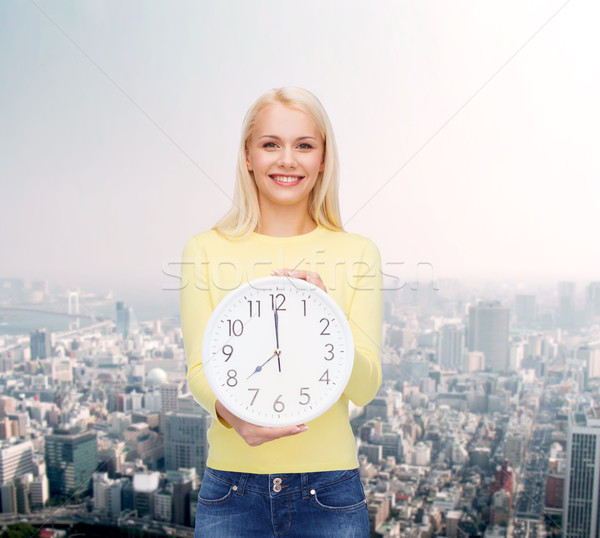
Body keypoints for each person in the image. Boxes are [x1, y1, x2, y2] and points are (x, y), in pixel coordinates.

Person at [180, 87, 382, 537]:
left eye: (304, 145)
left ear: (323, 159)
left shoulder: (359, 253)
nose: (287, 160)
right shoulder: (205, 250)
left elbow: (366, 387)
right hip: (231, 491)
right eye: (271, 144)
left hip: (329, 492)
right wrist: (234, 419)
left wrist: (328, 315)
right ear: (248, 156)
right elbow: (199, 370)